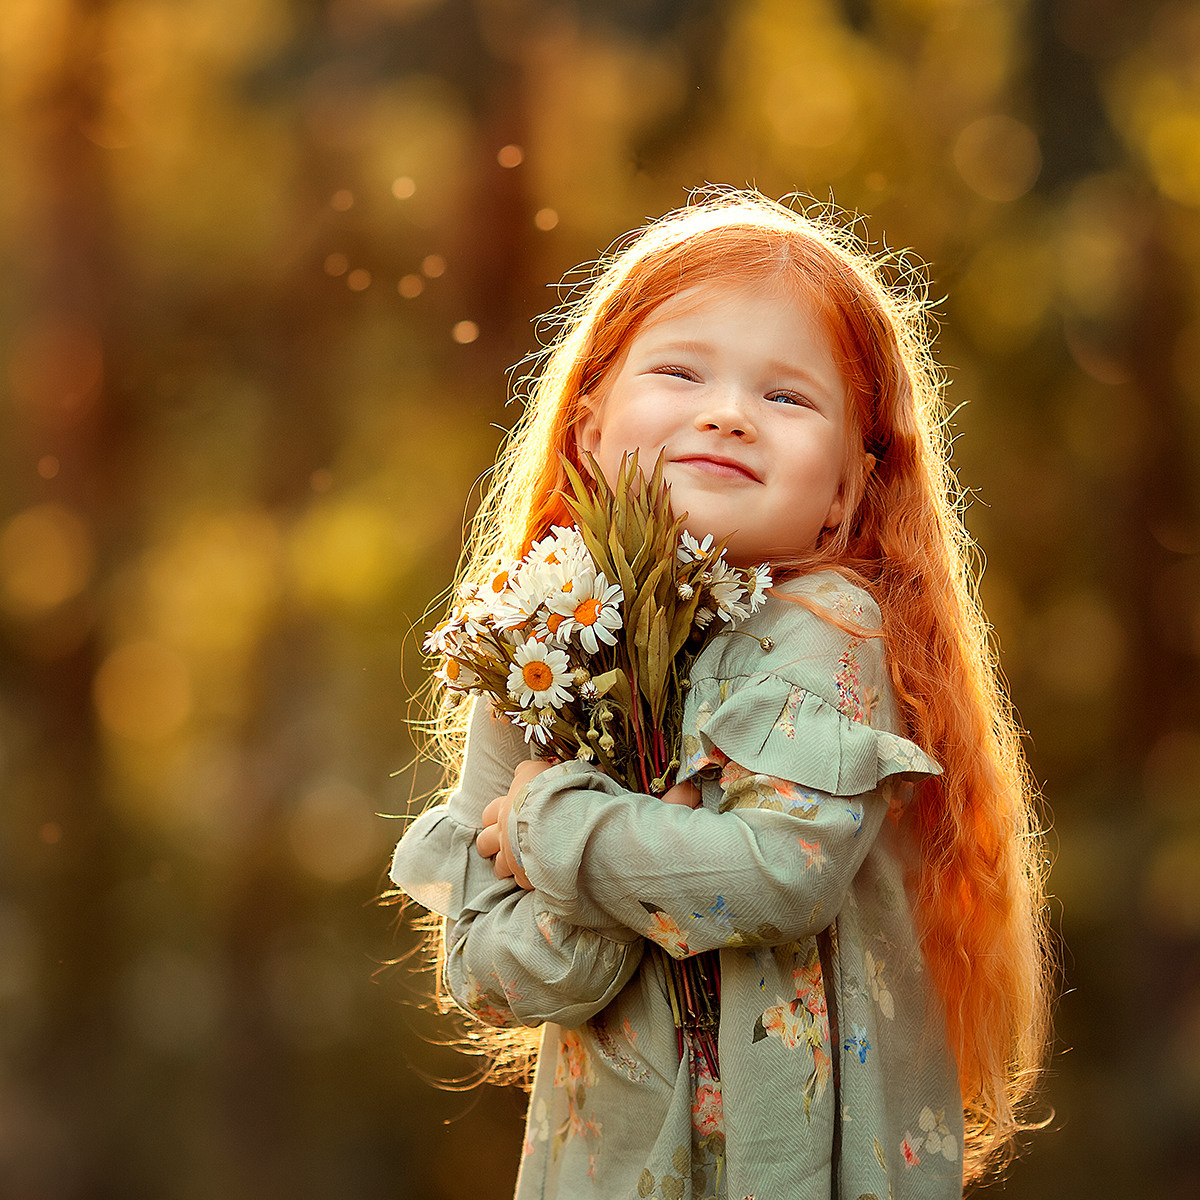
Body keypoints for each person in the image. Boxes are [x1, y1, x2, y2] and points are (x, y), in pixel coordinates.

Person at [390, 190, 1051, 1200]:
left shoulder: (828, 631)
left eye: (788, 396)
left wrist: (556, 831)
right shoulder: (533, 652)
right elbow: (490, 973)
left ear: (847, 490)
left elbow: (778, 876)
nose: (729, 413)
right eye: (680, 371)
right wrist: (625, 865)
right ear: (587, 429)